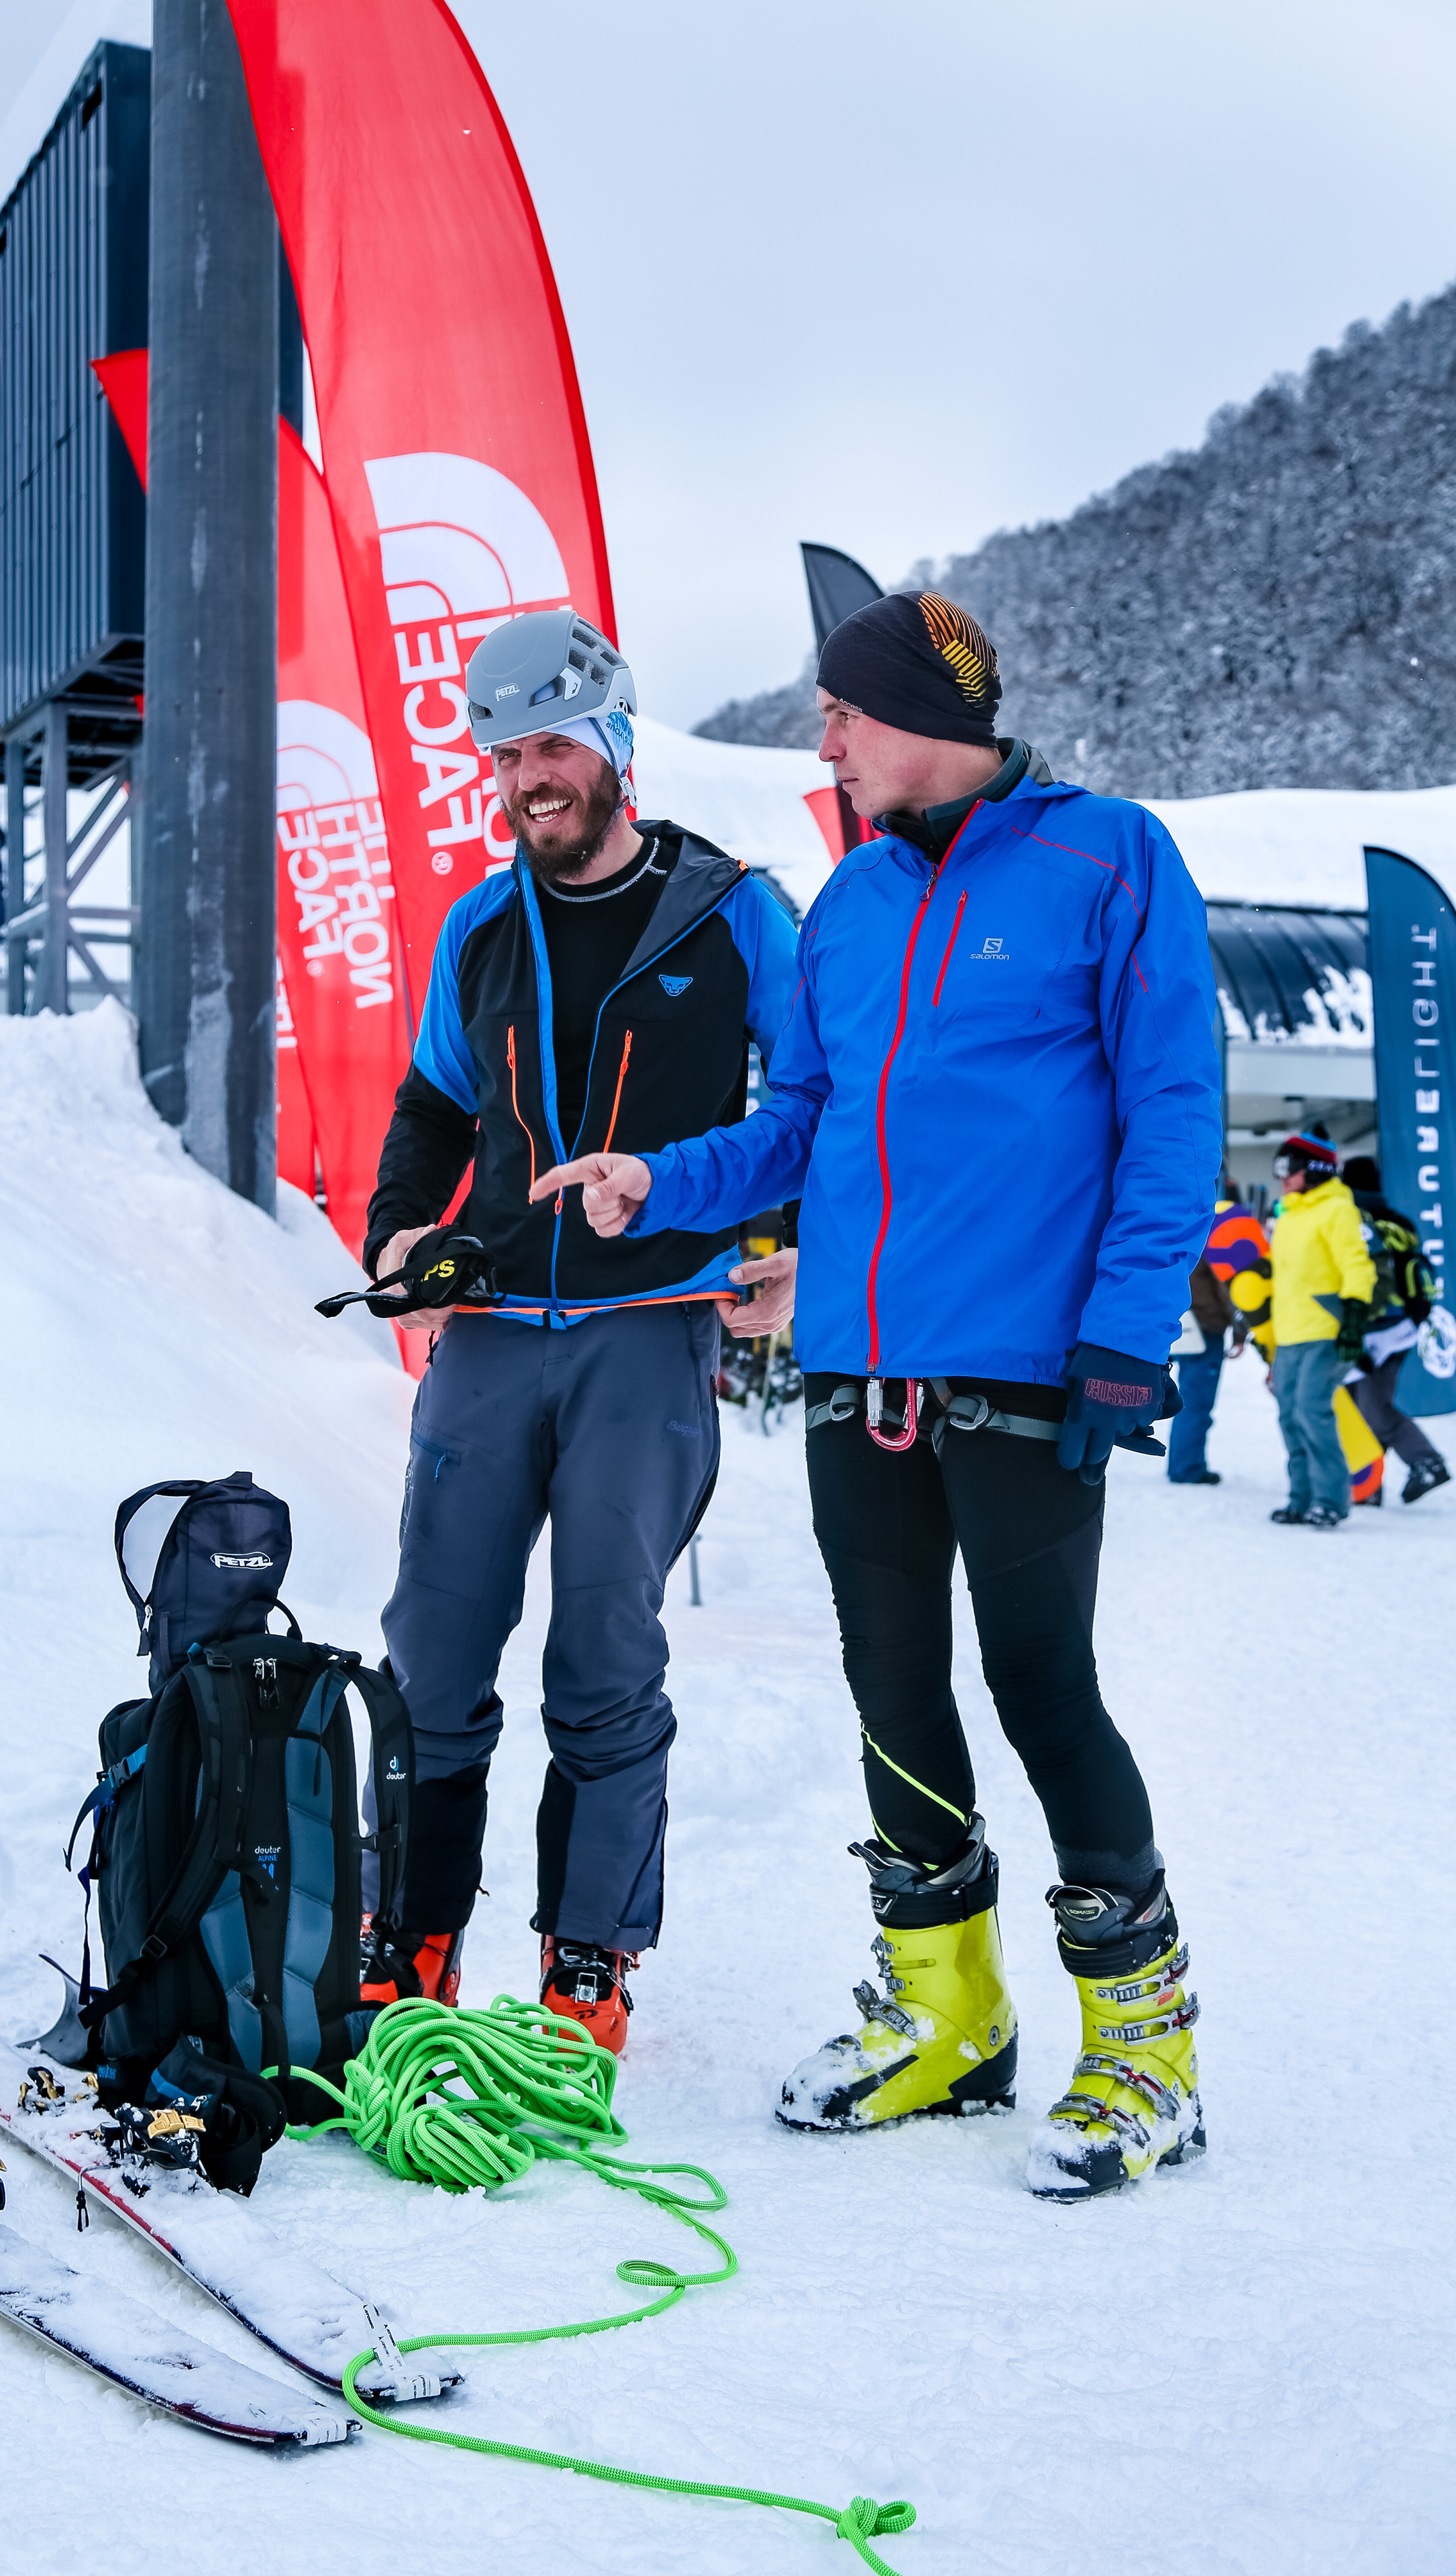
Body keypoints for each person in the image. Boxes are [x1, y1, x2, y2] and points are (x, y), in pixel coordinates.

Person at [534, 589, 1222, 2200]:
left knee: (1041, 1686)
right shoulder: (846, 899)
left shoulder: (1107, 859)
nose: (825, 739)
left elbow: (1172, 1105)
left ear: (924, 714)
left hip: (1027, 1363)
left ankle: (1145, 2047)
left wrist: (1123, 1335)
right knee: (890, 1685)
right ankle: (947, 2014)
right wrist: (662, 1178)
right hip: (856, 1365)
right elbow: (804, 1121)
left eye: (842, 712)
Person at [357, 608, 798, 2053]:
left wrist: (740, 1222)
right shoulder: (481, 926)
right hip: (487, 1329)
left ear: (611, 745)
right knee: (432, 1652)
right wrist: (396, 1233)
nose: (525, 778)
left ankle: (587, 1962)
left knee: (604, 1660)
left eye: (549, 746)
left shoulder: (735, 912)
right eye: (501, 756)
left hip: (647, 1332)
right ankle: (410, 1937)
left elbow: (810, 1110)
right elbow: (433, 1103)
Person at [1263, 1130, 1376, 1529]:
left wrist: (1354, 1321)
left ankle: (1330, 1500)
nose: (1281, 1177)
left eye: (1287, 1167)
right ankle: (1301, 1499)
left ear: (1313, 1169)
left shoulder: (1337, 1209)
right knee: (1290, 1417)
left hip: (1325, 1330)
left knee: (1312, 1411)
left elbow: (1357, 1265)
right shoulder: (1290, 1214)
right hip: (1290, 1334)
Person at [1338, 1156, 1449, 1503]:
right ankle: (1368, 1483)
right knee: (1363, 1406)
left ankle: (1427, 1462)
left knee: (1372, 1407)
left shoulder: (1353, 1220)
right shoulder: (1398, 1221)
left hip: (1372, 1329)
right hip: (1400, 1327)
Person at [1167, 1181, 1272, 1484]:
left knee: (1178, 1397)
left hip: (1176, 1321)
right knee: (1196, 1401)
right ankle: (1187, 1467)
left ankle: (1182, 1463)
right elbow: (1228, 1285)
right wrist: (1240, 1332)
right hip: (1206, 1326)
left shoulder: (1175, 1217)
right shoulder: (1215, 1224)